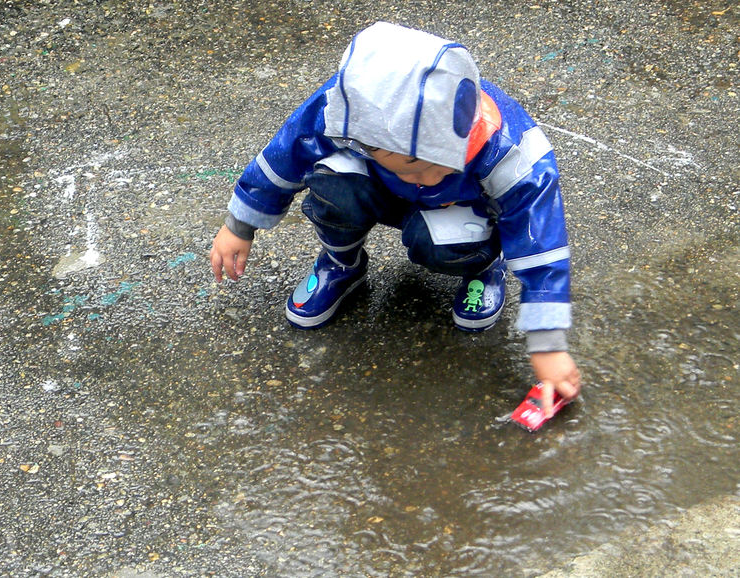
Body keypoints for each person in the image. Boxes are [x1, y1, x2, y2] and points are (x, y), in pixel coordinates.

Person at [210, 22, 581, 415]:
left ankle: (485, 266)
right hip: (379, 192)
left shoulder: (513, 153)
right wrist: (240, 224)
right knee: (332, 182)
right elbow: (286, 155)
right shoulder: (346, 109)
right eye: (405, 167)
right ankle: (341, 263)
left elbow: (542, 244)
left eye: (427, 166)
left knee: (444, 240)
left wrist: (549, 345)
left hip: (462, 214)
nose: (418, 178)